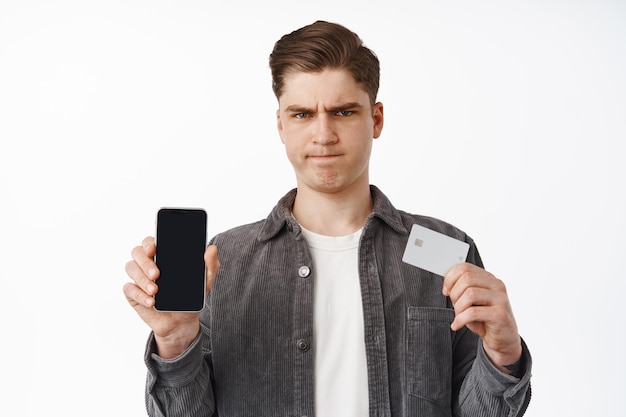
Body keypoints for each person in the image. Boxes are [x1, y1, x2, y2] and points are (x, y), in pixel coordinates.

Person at [123, 20, 532, 417]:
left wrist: (503, 355)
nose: (323, 134)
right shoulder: (221, 261)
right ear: (280, 124)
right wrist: (175, 343)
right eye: (302, 114)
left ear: (376, 119)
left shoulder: (443, 249)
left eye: (342, 112)